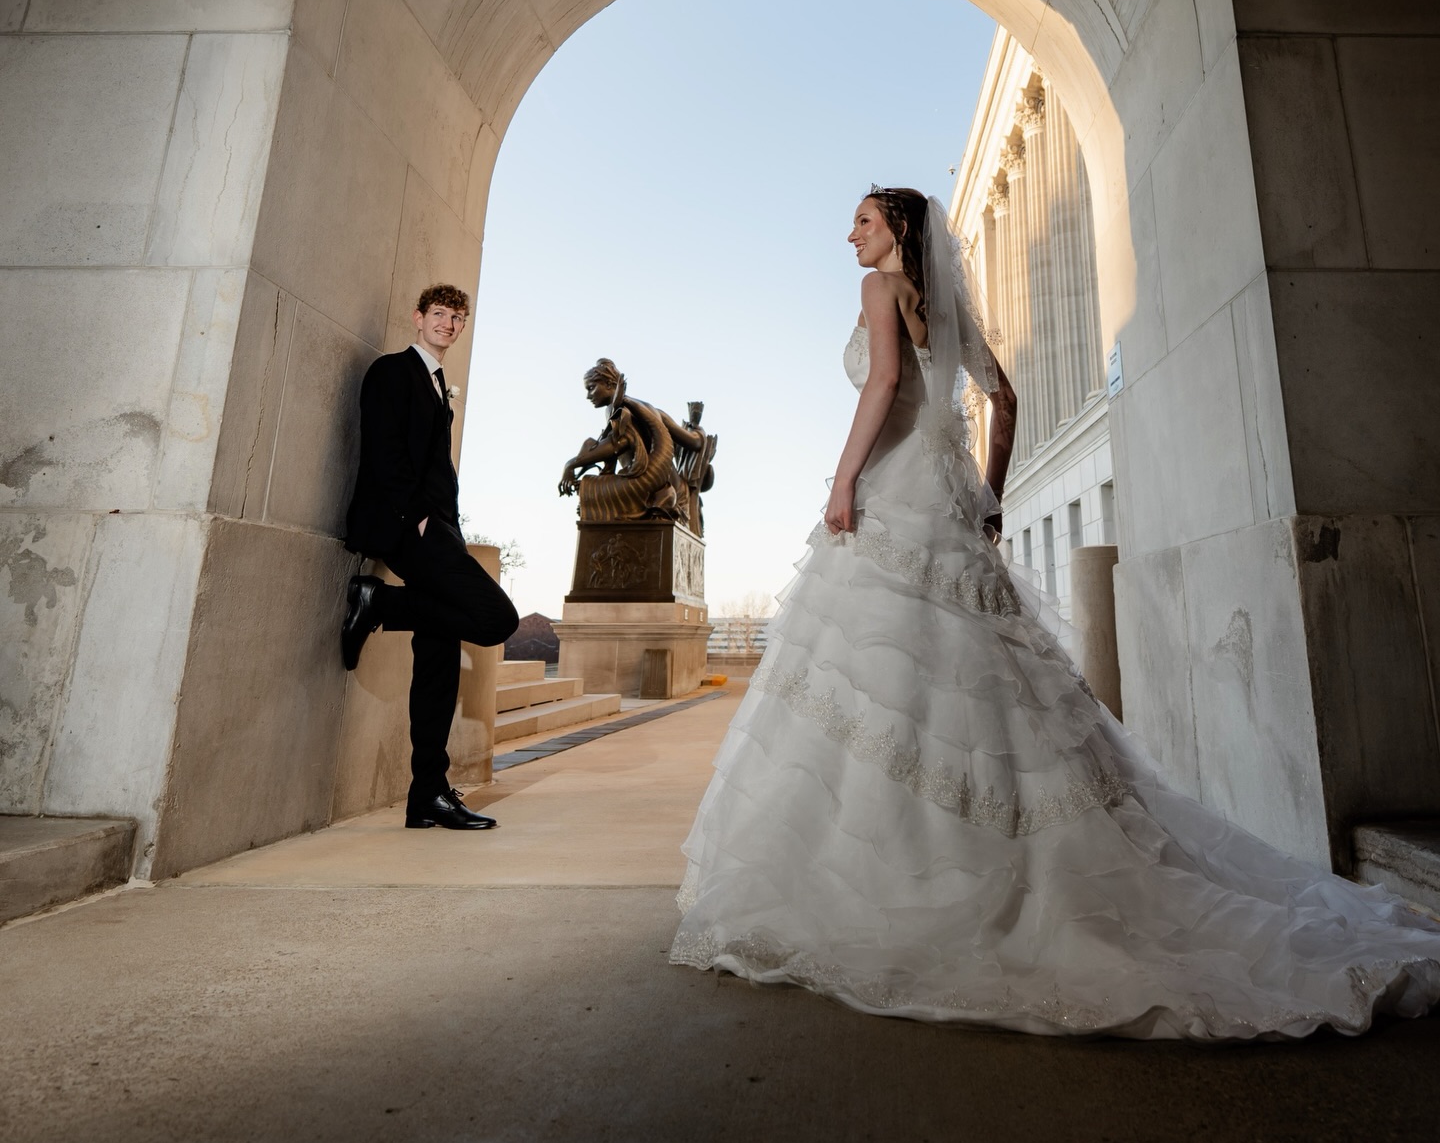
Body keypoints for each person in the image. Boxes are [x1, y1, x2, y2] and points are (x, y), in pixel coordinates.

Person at [671, 188, 1440, 1039]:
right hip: (951, 504)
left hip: (897, 498)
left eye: (864, 221)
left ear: (897, 231)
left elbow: (884, 383)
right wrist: (990, 497)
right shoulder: (948, 311)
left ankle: (918, 873)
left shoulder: (879, 291)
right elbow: (1003, 398)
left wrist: (845, 479)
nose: (850, 234)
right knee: (976, 679)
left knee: (889, 681)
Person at [341, 284, 519, 831]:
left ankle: (427, 795)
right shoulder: (392, 372)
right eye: (438, 314)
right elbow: (384, 449)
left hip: (437, 528)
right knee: (497, 619)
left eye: (456, 317)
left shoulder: (441, 385)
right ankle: (383, 604)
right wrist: (418, 517)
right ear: (418, 318)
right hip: (408, 526)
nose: (447, 323)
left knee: (439, 661)